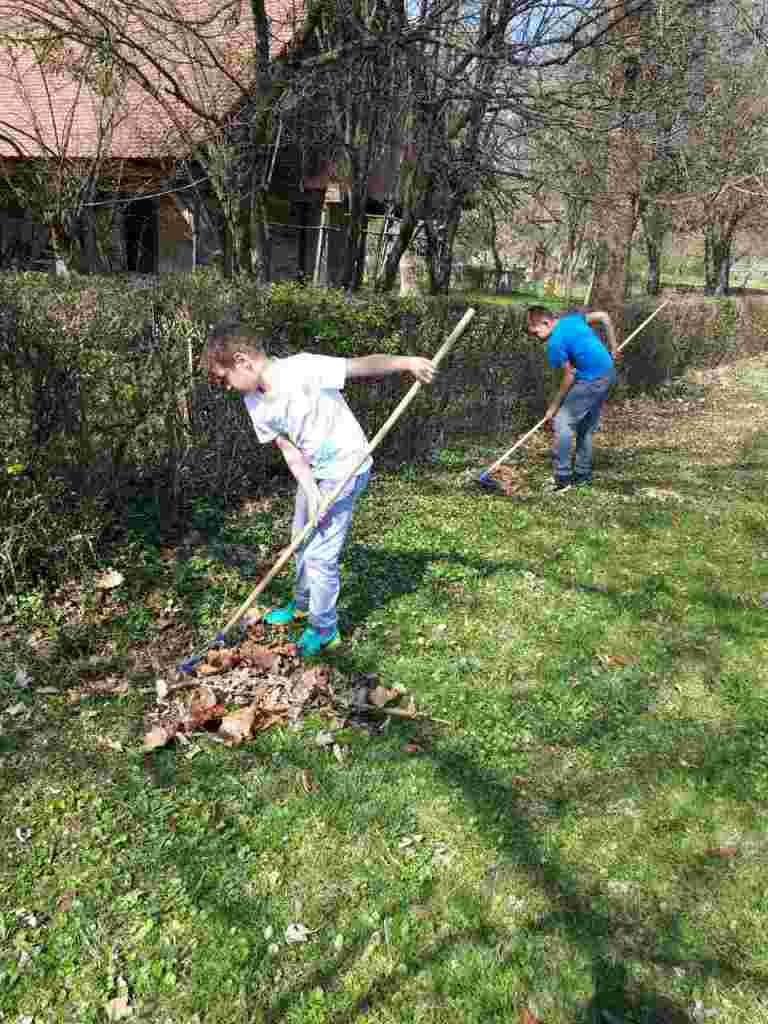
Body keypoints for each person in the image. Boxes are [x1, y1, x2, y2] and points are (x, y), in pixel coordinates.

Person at [204, 321, 437, 656]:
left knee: (320, 556)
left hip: (346, 469)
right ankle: (302, 605)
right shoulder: (254, 401)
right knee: (301, 538)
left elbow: (359, 366)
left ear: (242, 361)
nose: (226, 386)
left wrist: (407, 362)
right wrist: (311, 491)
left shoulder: (302, 368)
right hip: (313, 474)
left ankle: (324, 628)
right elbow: (288, 448)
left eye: (224, 377)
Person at [526, 306, 618, 492]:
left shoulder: (555, 343)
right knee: (584, 426)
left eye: (536, 333)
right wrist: (614, 347)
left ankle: (562, 477)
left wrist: (554, 407)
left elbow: (568, 376)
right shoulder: (572, 320)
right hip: (607, 372)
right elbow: (603, 316)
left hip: (592, 380)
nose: (536, 338)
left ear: (546, 322)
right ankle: (582, 474)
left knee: (562, 423)